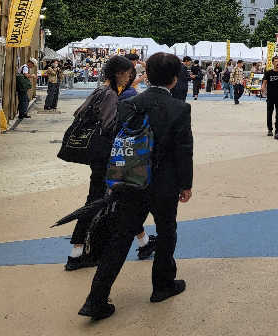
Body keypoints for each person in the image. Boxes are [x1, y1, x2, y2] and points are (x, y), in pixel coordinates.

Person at [78, 52, 194, 320]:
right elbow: (184, 151)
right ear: (175, 79)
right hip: (164, 184)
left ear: (146, 75)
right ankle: (162, 285)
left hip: (130, 180)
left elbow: (115, 138)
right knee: (167, 231)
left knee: (120, 237)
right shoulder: (179, 109)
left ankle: (96, 298)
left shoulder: (129, 103)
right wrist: (185, 184)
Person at [67, 56, 156, 271]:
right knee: (100, 201)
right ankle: (76, 254)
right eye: (127, 73)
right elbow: (110, 126)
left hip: (97, 156)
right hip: (107, 158)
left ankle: (143, 242)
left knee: (116, 200)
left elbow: (77, 113)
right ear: (118, 73)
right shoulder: (111, 95)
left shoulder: (99, 91)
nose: (129, 77)